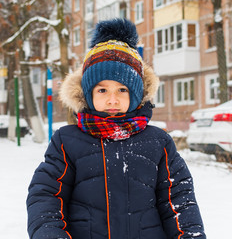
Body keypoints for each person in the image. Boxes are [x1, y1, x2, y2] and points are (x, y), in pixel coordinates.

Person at [26, 18, 206, 239]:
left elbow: (180, 201)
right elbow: (45, 196)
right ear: (87, 94)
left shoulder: (158, 142)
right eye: (102, 90)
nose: (112, 100)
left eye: (122, 89)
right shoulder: (66, 142)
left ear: (137, 94)